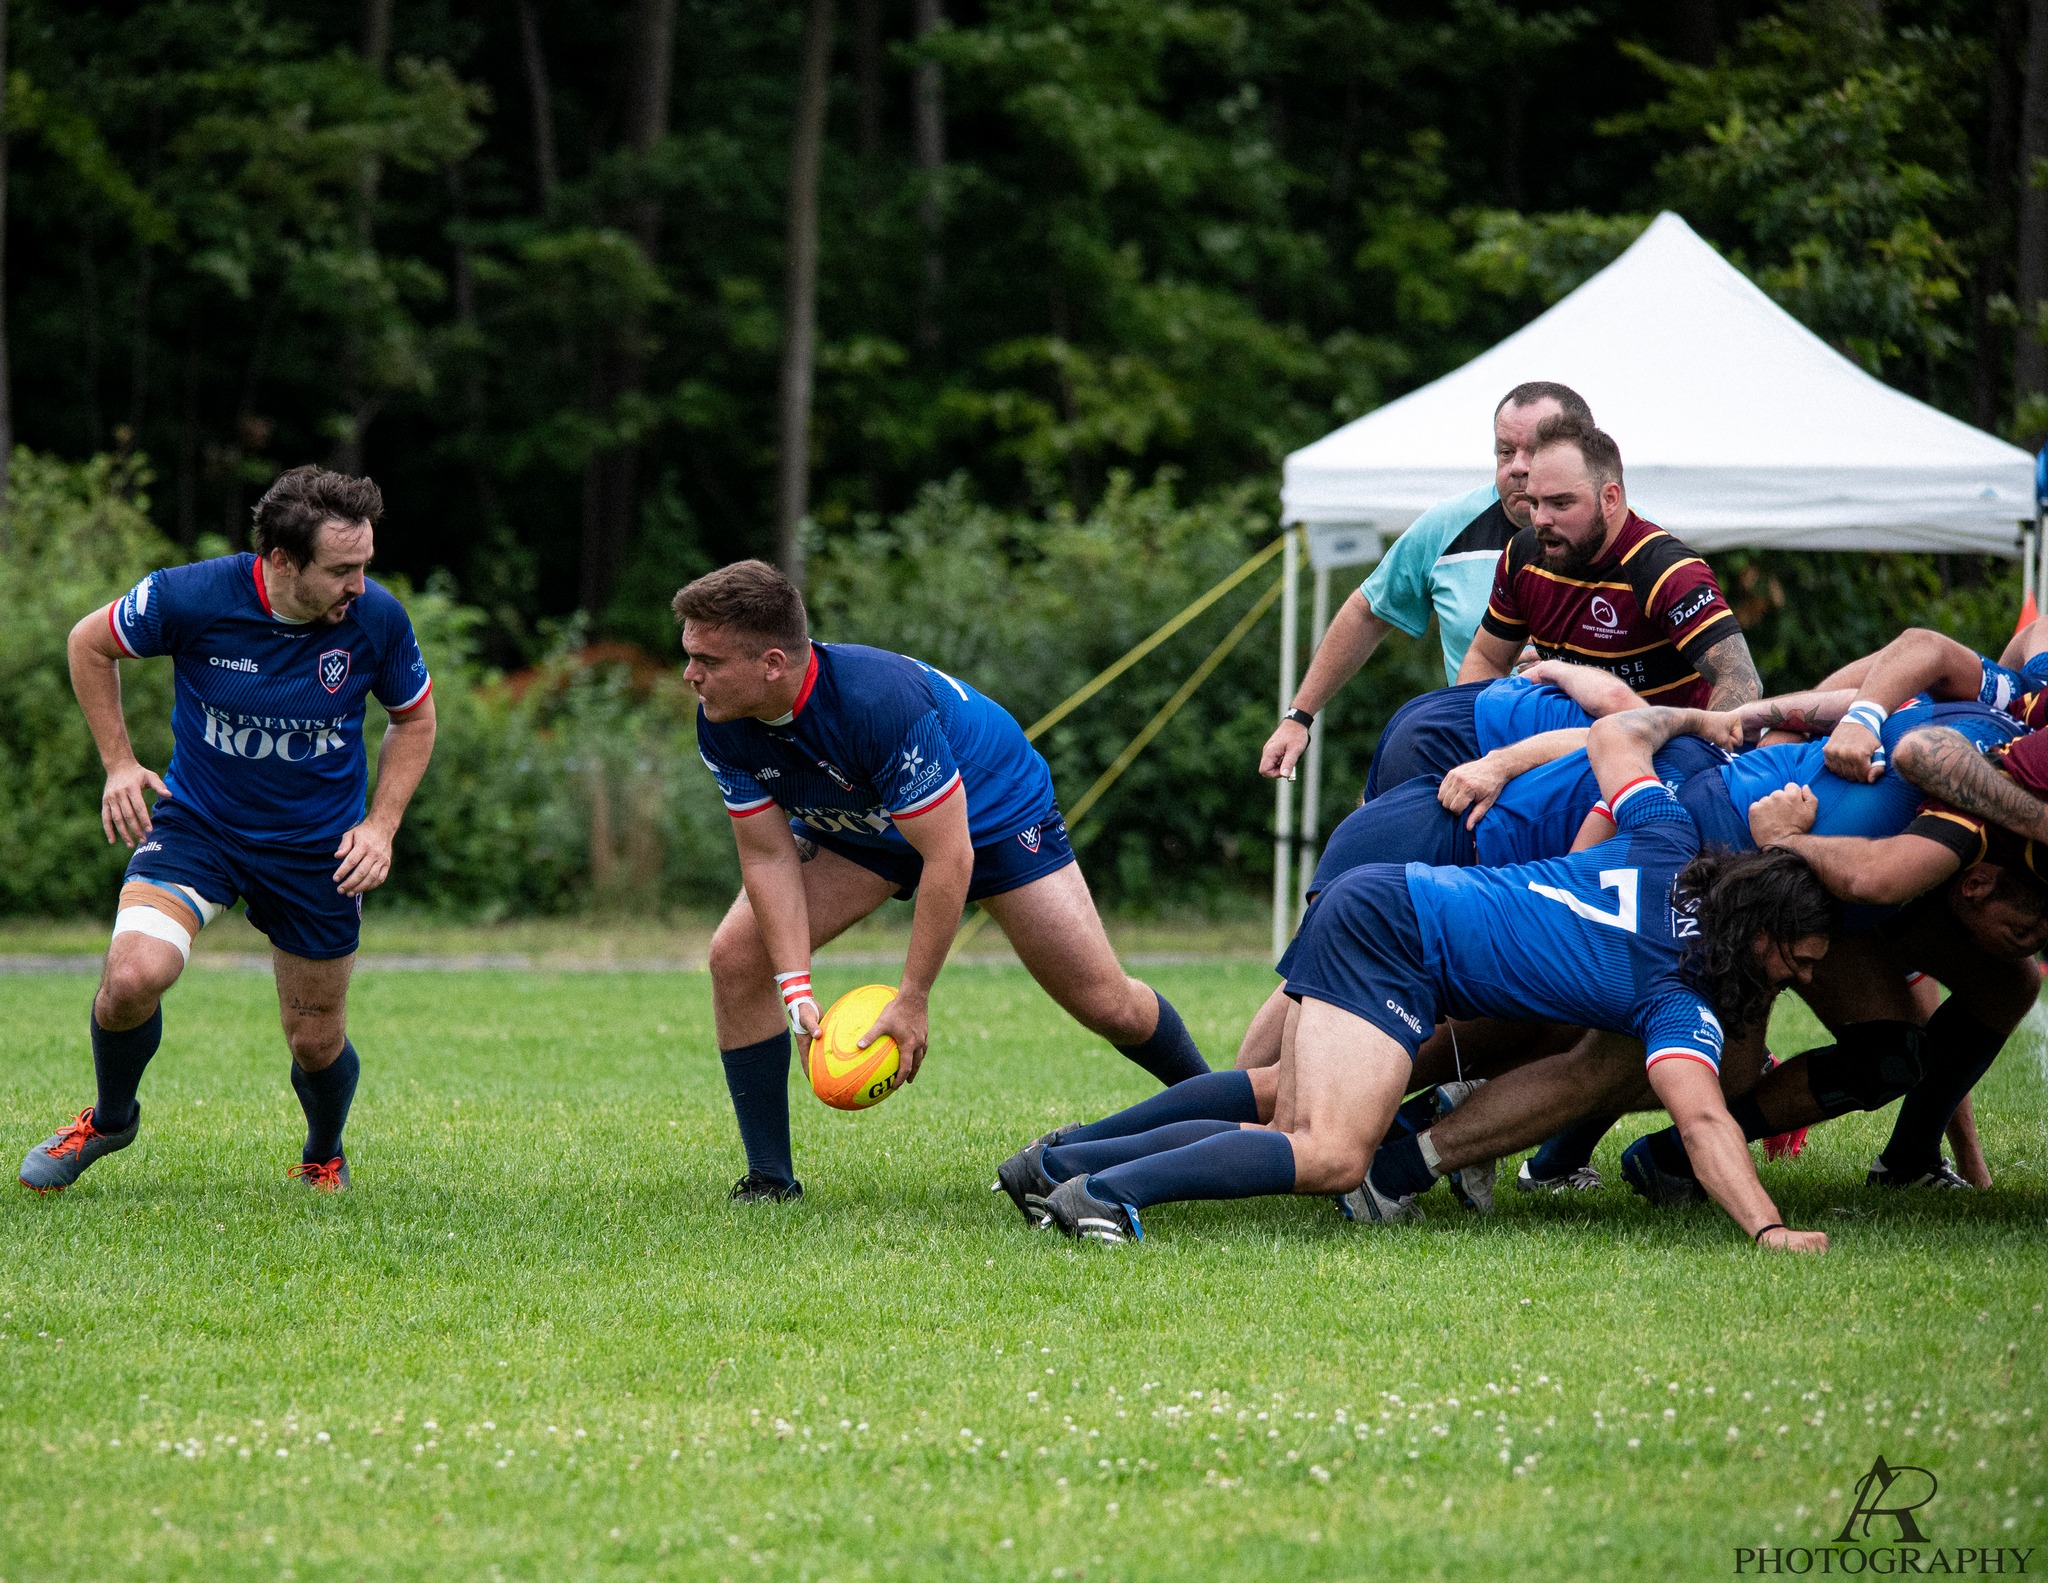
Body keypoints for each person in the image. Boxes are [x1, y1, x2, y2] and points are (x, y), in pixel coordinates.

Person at [1019, 707, 1840, 1252]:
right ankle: (1108, 1195)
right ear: (1756, 930)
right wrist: (1768, 1229)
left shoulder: (1669, 839)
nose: (1801, 977)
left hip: (1388, 902)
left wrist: (1695, 719)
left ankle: (1060, 1166)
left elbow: (1617, 733)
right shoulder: (1678, 996)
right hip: (1395, 936)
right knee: (1332, 1154)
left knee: (1281, 1105)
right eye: (1796, 959)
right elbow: (1703, 1120)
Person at [680, 560, 1210, 1204]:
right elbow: (768, 858)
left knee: (1107, 1005)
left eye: (706, 660)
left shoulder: (877, 702)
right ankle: (770, 1180)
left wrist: (913, 997)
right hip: (865, 824)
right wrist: (795, 989)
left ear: (771, 663)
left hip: (989, 815)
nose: (690, 675)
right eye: (689, 656)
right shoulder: (722, 720)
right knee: (737, 957)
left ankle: (1226, 1113)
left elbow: (949, 856)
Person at [18, 466, 437, 1195]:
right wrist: (118, 764)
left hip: (317, 849)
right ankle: (110, 1120)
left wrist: (381, 826)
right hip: (201, 826)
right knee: (131, 978)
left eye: (365, 564)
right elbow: (88, 643)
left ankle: (323, 1152)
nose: (360, 585)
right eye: (342, 570)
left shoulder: (377, 620)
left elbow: (415, 719)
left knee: (315, 1040)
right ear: (282, 560)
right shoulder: (191, 596)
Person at [1258, 381, 1594, 784]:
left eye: (1535, 451)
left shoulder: (1632, 538)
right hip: (1476, 768)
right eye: (1505, 451)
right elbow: (1367, 611)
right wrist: (1299, 717)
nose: (1518, 466)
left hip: (1592, 768)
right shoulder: (1448, 525)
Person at [1458, 415, 1760, 711]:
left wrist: (1699, 738)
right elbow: (1487, 659)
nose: (1540, 519)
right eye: (1535, 503)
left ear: (1610, 498)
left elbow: (1741, 679)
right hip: (1563, 737)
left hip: (1664, 741)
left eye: (1560, 503)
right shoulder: (1524, 554)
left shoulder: (1665, 570)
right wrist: (1472, 729)